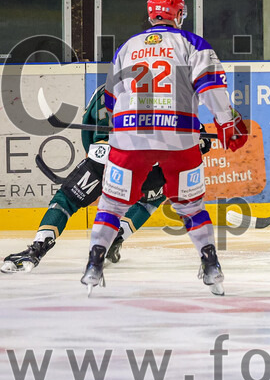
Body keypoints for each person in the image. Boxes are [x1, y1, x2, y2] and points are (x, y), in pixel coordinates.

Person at [80, 0, 248, 295]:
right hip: (179, 136)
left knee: (113, 204)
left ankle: (94, 264)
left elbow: (108, 101)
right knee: (192, 207)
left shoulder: (127, 47)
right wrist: (225, 122)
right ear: (179, 13)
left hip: (129, 136)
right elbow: (212, 89)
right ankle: (211, 266)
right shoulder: (192, 44)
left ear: (151, 12)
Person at [0, 88, 210, 273]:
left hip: (106, 158)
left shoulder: (104, 90)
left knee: (66, 200)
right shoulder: (171, 94)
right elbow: (202, 140)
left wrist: (93, 160)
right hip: (152, 168)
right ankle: (116, 238)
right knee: (151, 198)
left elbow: (88, 133)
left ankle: (37, 248)